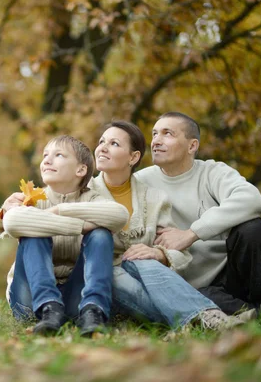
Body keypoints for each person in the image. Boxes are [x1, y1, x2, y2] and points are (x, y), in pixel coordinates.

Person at [89, 121, 243, 330]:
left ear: (133, 157)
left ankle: (204, 321)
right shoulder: (83, 191)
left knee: (143, 259)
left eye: (114, 143)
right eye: (101, 142)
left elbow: (180, 253)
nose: (102, 148)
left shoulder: (153, 198)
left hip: (147, 278)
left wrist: (160, 254)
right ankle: (206, 319)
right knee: (113, 272)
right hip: (100, 280)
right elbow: (51, 200)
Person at [135, 112, 261, 316]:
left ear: (192, 146)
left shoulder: (212, 172)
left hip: (231, 274)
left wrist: (191, 233)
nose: (156, 141)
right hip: (189, 285)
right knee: (201, 298)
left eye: (167, 134)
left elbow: (252, 199)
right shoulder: (140, 182)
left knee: (253, 228)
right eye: (154, 134)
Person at [0, 135, 129, 336]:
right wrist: (80, 226)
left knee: (100, 235)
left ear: (80, 170)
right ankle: (49, 307)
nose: (47, 160)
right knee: (32, 234)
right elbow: (12, 222)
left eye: (58, 155)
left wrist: (60, 211)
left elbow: (120, 215)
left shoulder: (93, 199)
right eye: (45, 155)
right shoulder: (32, 199)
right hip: (30, 301)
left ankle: (93, 311)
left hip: (76, 299)